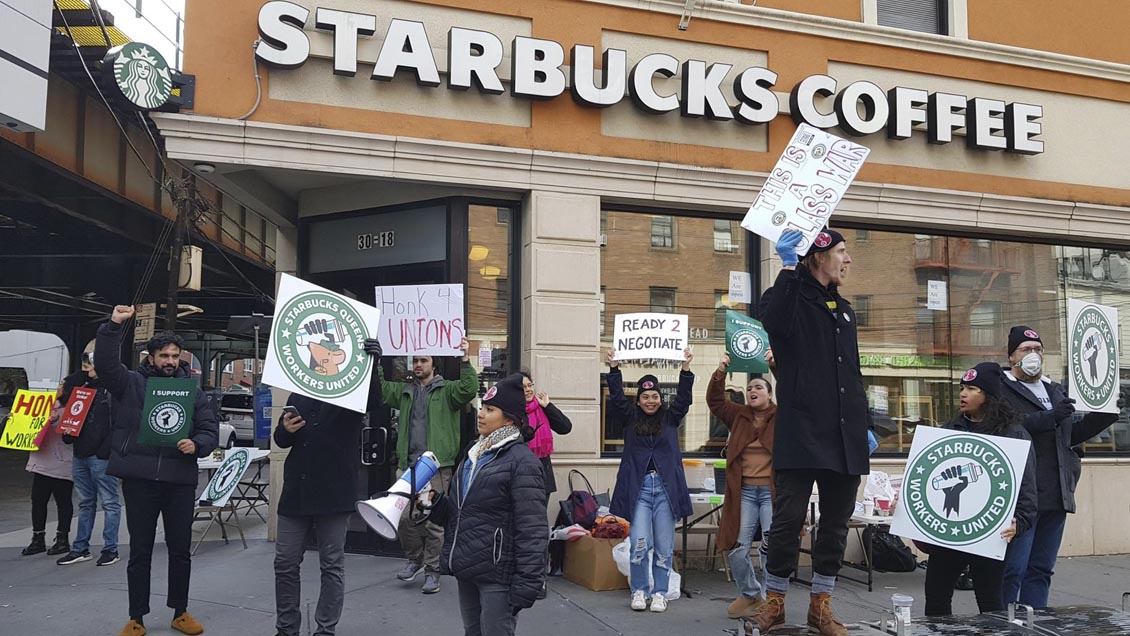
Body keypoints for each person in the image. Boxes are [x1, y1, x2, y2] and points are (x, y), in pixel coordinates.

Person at [750, 228, 869, 636]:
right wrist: (787, 265)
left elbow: (850, 373)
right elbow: (776, 322)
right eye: (841, 251)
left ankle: (821, 605)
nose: (847, 259)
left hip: (843, 432)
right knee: (787, 521)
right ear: (817, 256)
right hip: (802, 430)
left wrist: (862, 423)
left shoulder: (845, 308)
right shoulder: (786, 297)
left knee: (836, 523)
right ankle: (775, 601)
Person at [96, 305, 219, 636]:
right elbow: (105, 366)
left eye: (175, 355)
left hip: (179, 481)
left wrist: (198, 444)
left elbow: (209, 429)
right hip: (140, 481)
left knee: (181, 551)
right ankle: (136, 616)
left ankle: (180, 612)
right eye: (163, 355)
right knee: (140, 551)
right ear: (150, 358)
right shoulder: (131, 384)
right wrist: (112, 326)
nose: (169, 361)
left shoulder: (192, 392)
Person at [998, 326, 1119, 608]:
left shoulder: (1054, 390)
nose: (1034, 355)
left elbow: (1069, 435)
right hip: (1023, 496)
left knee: (1040, 569)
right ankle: (1003, 623)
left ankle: (1036, 620)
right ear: (1012, 356)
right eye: (1026, 350)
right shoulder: (1002, 389)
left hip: (1056, 493)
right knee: (1013, 569)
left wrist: (1106, 415)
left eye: (1038, 349)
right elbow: (1009, 428)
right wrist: (1051, 416)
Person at [273, 339, 384, 636]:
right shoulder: (301, 389)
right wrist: (285, 429)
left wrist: (372, 366)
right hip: (297, 490)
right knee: (285, 563)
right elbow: (281, 439)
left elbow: (374, 401)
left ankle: (325, 630)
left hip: (334, 492)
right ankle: (286, 629)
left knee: (331, 565)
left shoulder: (350, 392)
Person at [431, 373, 548, 636]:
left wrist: (528, 582)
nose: (481, 413)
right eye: (482, 407)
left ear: (509, 419)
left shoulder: (523, 462)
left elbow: (533, 529)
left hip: (499, 574)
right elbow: (462, 513)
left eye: (490, 409)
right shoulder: (474, 453)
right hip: (467, 567)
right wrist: (435, 505)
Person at [923, 362, 1037, 617]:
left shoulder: (1014, 435)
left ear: (989, 395)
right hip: (949, 532)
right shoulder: (950, 430)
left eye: (972, 388)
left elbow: (1027, 491)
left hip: (989, 533)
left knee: (990, 604)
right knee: (936, 600)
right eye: (962, 387)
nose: (963, 393)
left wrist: (1020, 523)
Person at [380, 338, 478, 594]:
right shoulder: (405, 391)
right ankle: (416, 560)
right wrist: (377, 359)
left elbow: (469, 389)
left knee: (433, 524)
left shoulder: (447, 390)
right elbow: (380, 388)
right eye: (416, 360)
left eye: (424, 360)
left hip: (435, 467)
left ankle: (433, 572)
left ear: (434, 365)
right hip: (409, 467)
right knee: (404, 520)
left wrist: (466, 359)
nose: (419, 364)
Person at [606, 347, 695, 613]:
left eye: (655, 396)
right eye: (645, 396)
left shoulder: (671, 417)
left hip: (666, 491)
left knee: (665, 547)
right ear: (639, 400)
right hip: (640, 490)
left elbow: (684, 398)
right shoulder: (630, 418)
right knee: (640, 545)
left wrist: (686, 369)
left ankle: (660, 593)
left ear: (660, 398)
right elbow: (618, 398)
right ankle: (640, 591)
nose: (650, 401)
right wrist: (613, 369)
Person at [707, 353, 777, 619]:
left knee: (772, 546)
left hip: (771, 493)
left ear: (770, 394)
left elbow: (796, 397)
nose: (752, 391)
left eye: (758, 387)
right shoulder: (738, 416)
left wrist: (773, 364)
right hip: (745, 492)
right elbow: (715, 401)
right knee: (737, 546)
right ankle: (750, 594)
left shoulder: (782, 416)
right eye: (749, 388)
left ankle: (773, 598)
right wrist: (721, 369)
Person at [56, 344, 123, 567]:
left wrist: (105, 449)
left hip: (98, 455)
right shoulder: (84, 388)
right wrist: (69, 434)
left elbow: (120, 424)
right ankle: (81, 548)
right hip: (82, 453)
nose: (86, 369)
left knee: (109, 502)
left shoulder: (113, 392)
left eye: (90, 364)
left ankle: (110, 549)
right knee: (87, 502)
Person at [520, 370, 573, 599]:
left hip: (541, 477)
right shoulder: (511, 413)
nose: (529, 389)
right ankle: (519, 575)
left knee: (538, 531)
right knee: (519, 530)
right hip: (519, 478)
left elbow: (565, 427)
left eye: (530, 384)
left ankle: (537, 579)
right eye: (523, 387)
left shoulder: (542, 409)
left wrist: (548, 406)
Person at [21, 388, 74, 558]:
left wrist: (56, 421)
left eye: (62, 384)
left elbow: (70, 435)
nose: (57, 387)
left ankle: (62, 538)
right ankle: (38, 538)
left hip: (61, 462)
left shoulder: (71, 407)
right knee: (38, 501)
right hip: (42, 461)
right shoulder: (42, 405)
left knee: (63, 502)